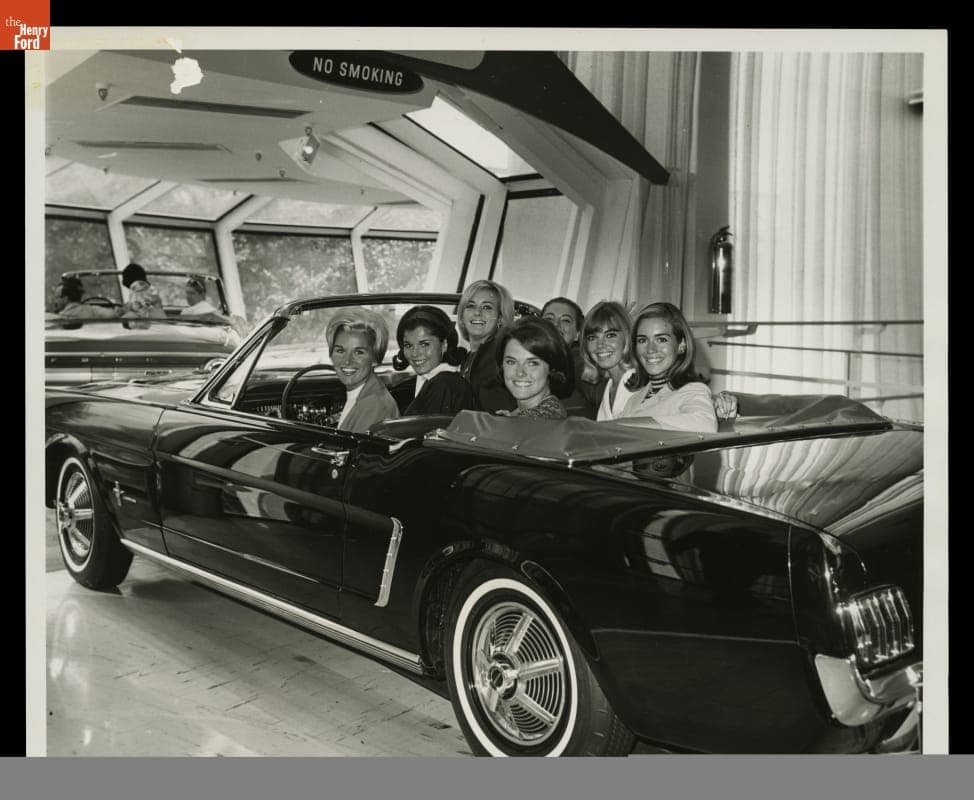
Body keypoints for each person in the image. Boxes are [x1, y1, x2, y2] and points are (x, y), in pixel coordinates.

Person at [616, 302, 718, 432]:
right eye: (642, 340)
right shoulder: (636, 397)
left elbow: (705, 425)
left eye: (661, 340)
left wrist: (628, 424)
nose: (650, 349)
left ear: (681, 345)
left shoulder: (692, 390)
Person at [392, 305, 476, 416]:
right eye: (408, 345)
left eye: (424, 344)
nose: (415, 353)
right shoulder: (428, 379)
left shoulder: (444, 385)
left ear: (444, 345)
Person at [326, 309, 399, 433]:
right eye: (340, 351)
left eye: (358, 352)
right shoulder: (361, 393)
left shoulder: (375, 406)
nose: (347, 361)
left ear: (375, 359)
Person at [494, 316, 574, 419]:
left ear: (552, 367)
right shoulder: (528, 415)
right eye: (511, 362)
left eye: (532, 363)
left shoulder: (541, 420)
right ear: (502, 365)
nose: (520, 372)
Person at [456, 279, 517, 413]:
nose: (477, 312)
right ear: (461, 315)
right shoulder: (470, 357)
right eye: (470, 306)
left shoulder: (497, 355)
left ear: (500, 318)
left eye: (487, 307)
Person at [579, 300, 638, 421]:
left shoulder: (639, 384)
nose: (600, 345)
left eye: (610, 335)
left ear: (627, 337)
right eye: (592, 338)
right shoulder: (610, 385)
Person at [542, 295, 599, 418]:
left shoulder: (580, 362)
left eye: (565, 320)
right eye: (549, 319)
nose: (555, 325)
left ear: (578, 334)